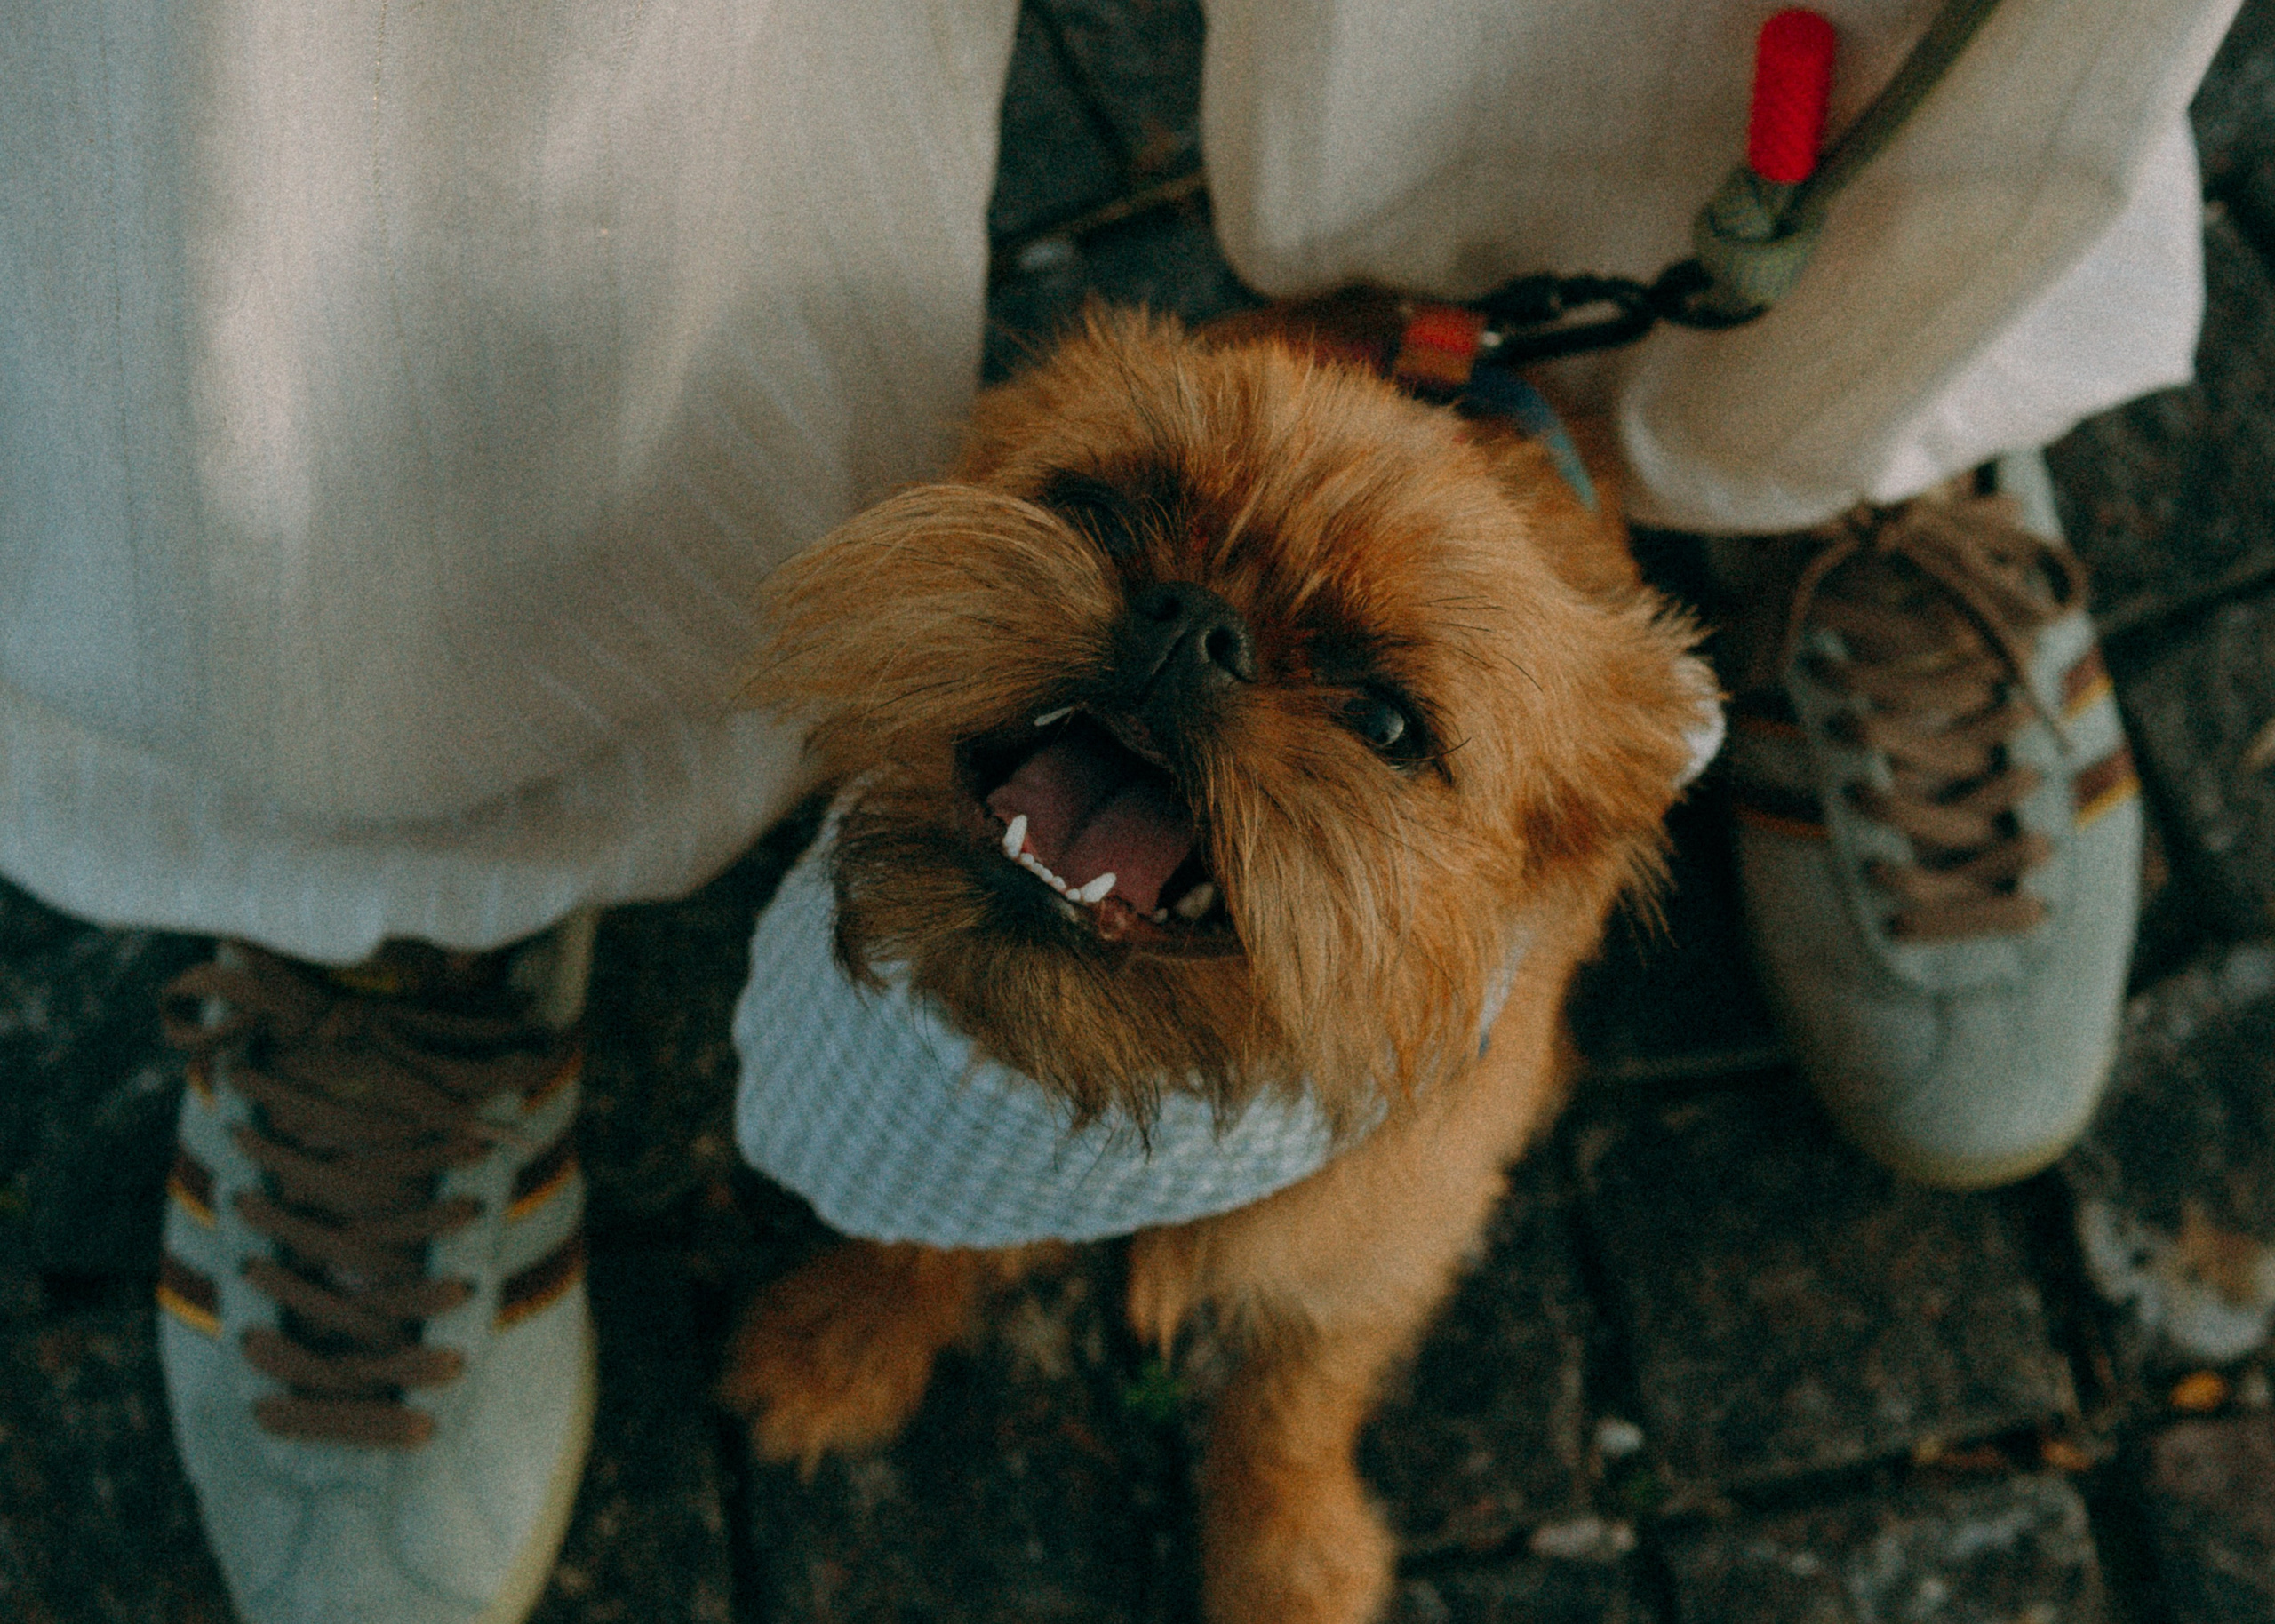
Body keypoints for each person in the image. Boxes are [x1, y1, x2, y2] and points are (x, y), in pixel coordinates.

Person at [0, 1, 2238, 1619]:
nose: (1184, 663)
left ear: (1568, 857)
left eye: (1375, 723)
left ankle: (1857, 420)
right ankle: (412, 788)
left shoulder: (1541, 867)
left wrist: (1293, 1456)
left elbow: (1363, 1253)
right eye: (1094, 509)